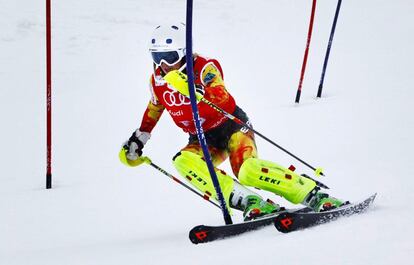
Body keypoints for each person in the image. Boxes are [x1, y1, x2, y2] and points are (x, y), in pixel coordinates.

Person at [120, 22, 346, 221]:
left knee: (247, 170)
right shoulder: (157, 80)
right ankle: (248, 201)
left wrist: (195, 91)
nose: (163, 64)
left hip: (231, 127)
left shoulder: (204, 68)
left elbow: (225, 101)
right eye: (156, 57)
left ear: (184, 52)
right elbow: (155, 107)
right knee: (183, 161)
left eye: (169, 57)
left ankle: (311, 193)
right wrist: (140, 138)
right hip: (203, 138)